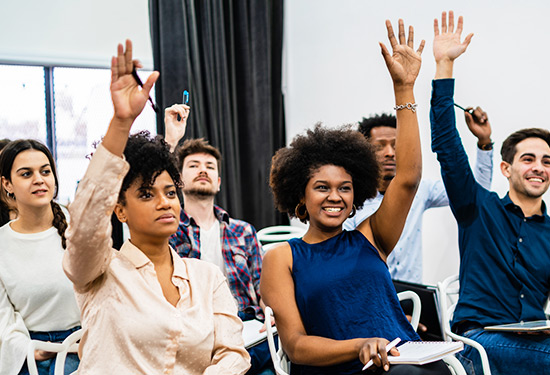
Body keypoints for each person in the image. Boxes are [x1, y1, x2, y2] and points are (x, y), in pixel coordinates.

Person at [261, 19, 450, 375]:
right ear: (300, 195)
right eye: (322, 187)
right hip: (344, 368)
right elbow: (296, 346)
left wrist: (404, 89)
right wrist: (361, 346)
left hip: (404, 361)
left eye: (344, 188)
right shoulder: (281, 257)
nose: (335, 197)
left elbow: (407, 179)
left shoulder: (370, 237)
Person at [62, 39, 250, 374]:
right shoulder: (99, 271)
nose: (165, 202)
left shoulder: (206, 278)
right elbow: (86, 222)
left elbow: (233, 354)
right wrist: (121, 123)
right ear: (119, 209)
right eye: (147, 195)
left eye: (170, 192)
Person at [430, 11, 550, 375]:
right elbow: (448, 148)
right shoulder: (477, 208)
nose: (539, 167)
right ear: (506, 168)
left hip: (534, 340)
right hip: (478, 341)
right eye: (528, 159)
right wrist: (444, 66)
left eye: (547, 161)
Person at [164, 105, 271, 375]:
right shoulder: (167, 231)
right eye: (194, 166)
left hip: (246, 327)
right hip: (193, 332)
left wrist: (271, 313)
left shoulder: (243, 231)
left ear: (219, 181)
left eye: (210, 166)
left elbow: (263, 288)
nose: (203, 170)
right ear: (178, 179)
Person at [343, 111, 493, 283]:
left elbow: (473, 191)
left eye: (395, 145)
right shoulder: (351, 197)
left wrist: (484, 143)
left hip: (413, 295)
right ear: (364, 152)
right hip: (369, 293)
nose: (390, 152)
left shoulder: (420, 190)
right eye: (380, 146)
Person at [0, 139, 81, 375]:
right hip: (29, 355)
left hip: (85, 346)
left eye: (45, 172)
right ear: (7, 184)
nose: (39, 179)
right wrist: (28, 350)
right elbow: (3, 315)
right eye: (26, 174)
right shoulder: (2, 242)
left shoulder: (78, 227)